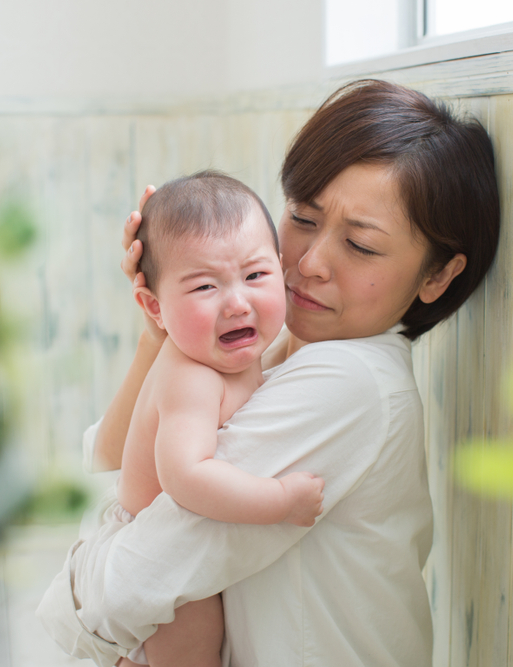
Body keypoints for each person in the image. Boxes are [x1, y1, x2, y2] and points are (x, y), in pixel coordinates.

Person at [37, 79, 500, 667]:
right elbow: (110, 464)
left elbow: (124, 586)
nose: (308, 263)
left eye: (360, 245)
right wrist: (162, 333)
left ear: (436, 277)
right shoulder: (273, 351)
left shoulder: (348, 384)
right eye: (303, 218)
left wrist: (95, 550)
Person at [105, 170, 325, 666]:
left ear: (283, 270)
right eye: (205, 286)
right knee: (194, 650)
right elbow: (186, 475)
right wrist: (281, 500)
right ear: (154, 307)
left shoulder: (239, 356)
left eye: (255, 276)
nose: (237, 302)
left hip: (184, 545)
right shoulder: (193, 378)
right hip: (160, 555)